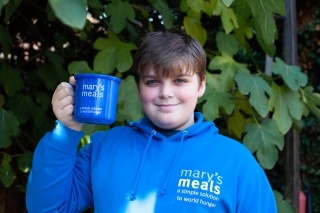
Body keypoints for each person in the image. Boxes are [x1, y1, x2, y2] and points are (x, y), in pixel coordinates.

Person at [26, 29, 277, 213]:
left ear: (201, 86)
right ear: (137, 88)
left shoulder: (236, 160)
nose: (166, 93)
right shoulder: (106, 147)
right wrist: (66, 132)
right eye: (152, 81)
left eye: (180, 81)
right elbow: (47, 208)